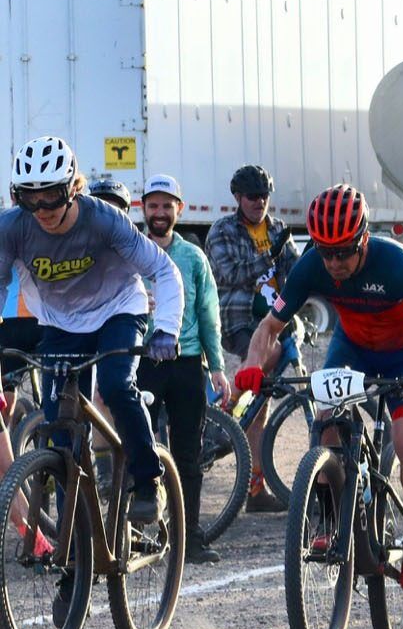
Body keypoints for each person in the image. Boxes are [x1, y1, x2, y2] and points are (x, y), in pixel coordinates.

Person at [235, 184, 403, 593]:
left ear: (363, 238)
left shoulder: (396, 263)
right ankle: (329, 518)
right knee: (325, 420)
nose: (335, 262)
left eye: (344, 251)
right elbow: (269, 327)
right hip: (353, 349)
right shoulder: (312, 265)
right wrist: (253, 367)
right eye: (326, 251)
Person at [0, 136, 184, 527]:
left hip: (118, 309)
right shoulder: (12, 228)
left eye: (51, 196)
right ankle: (74, 559)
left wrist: (166, 329)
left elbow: (164, 271)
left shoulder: (103, 219)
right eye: (29, 198)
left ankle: (149, 480)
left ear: (72, 187)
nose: (42, 209)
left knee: (117, 386)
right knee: (59, 436)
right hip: (60, 322)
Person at [136, 174, 231, 563]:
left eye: (166, 205)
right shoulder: (131, 251)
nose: (159, 213)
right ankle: (137, 537)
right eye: (153, 205)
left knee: (189, 456)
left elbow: (209, 315)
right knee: (136, 449)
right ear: (142, 208)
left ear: (181, 208)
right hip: (142, 362)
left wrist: (218, 367)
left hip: (188, 364)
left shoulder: (194, 258)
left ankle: (189, 539)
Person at [206, 164, 300, 512]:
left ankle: (255, 492)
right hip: (239, 316)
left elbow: (294, 271)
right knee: (267, 357)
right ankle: (226, 404)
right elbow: (228, 274)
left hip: (275, 315)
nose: (259, 202)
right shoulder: (222, 230)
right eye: (252, 197)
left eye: (264, 196)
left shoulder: (278, 230)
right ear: (238, 198)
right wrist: (269, 256)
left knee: (260, 410)